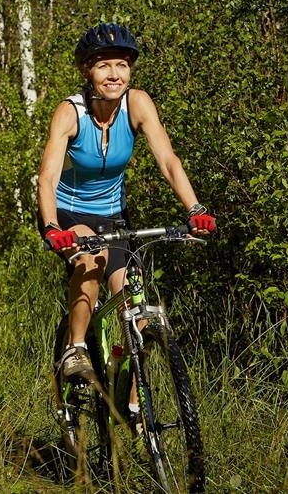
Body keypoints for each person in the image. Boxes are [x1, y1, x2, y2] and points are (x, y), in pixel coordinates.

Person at [37, 23, 216, 394]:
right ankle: (75, 349)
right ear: (87, 71)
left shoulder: (138, 103)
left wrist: (195, 208)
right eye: (103, 66)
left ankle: (134, 407)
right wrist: (53, 226)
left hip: (113, 216)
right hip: (67, 214)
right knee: (92, 258)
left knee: (134, 310)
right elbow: (47, 177)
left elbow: (168, 161)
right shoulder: (70, 113)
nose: (114, 74)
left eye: (121, 65)